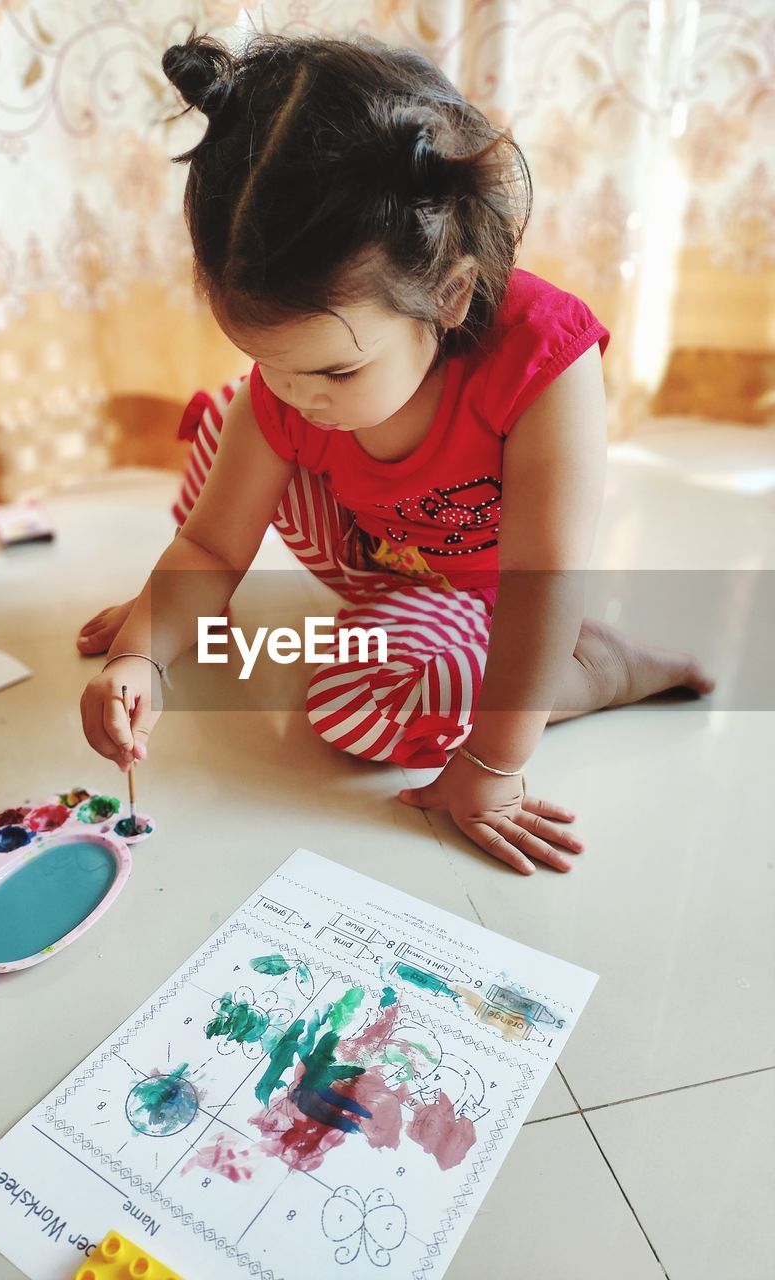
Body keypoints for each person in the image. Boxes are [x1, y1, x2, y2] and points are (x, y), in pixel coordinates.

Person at [78, 32, 713, 875]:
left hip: (483, 592)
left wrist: (493, 764)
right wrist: (143, 654)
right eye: (271, 361)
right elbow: (207, 542)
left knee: (358, 709)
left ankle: (599, 669)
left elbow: (542, 579)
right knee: (223, 425)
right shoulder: (297, 387)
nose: (296, 393)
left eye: (334, 369)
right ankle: (196, 612)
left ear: (447, 296)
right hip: (368, 544)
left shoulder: (540, 360)